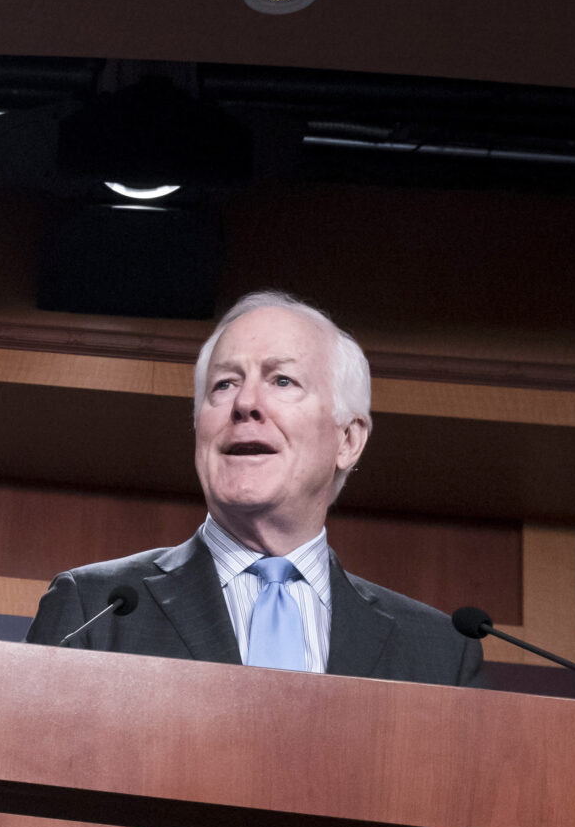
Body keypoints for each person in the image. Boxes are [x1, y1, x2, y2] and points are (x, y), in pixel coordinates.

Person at [27, 289, 485, 684]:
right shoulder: (93, 609)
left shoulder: (441, 652)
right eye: (224, 384)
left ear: (348, 440)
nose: (246, 403)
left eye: (282, 380)